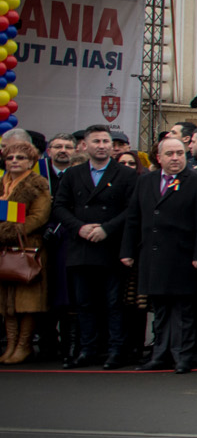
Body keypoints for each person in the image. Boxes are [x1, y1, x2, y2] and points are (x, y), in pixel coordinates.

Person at [120, 134, 197, 372]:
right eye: (170, 154)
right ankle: (159, 354)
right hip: (153, 257)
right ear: (159, 158)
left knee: (183, 312)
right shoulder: (146, 181)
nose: (175, 158)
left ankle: (182, 356)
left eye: (180, 153)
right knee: (159, 310)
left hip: (183, 257)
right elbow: (133, 218)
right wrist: (128, 251)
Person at [52, 124, 138, 368]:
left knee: (113, 302)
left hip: (110, 246)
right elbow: (59, 207)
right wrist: (79, 227)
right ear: (85, 146)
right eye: (97, 142)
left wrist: (106, 229)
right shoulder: (72, 174)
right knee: (84, 303)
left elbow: (132, 210)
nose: (102, 146)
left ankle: (115, 351)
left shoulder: (126, 174)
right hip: (81, 245)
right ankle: (87, 350)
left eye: (105, 141)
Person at [0, 132, 53, 363]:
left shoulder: (37, 184)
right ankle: (10, 345)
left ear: (31, 161)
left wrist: (11, 230)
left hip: (27, 247)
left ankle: (24, 345)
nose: (14, 161)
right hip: (3, 248)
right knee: (6, 301)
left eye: (20, 157)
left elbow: (39, 217)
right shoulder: (2, 182)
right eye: (10, 157)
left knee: (27, 300)